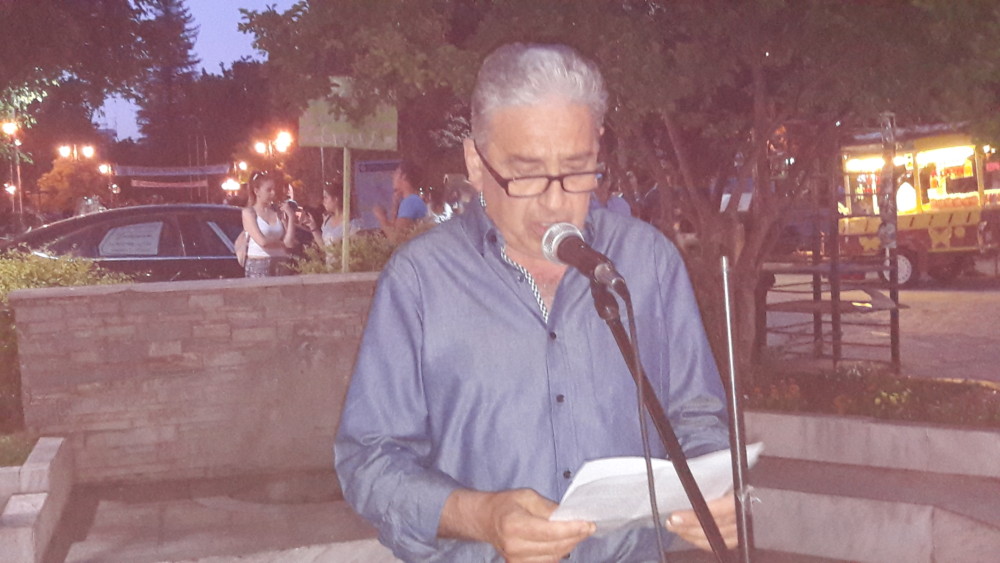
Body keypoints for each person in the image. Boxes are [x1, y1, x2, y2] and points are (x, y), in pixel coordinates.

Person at [335, 43, 735, 562]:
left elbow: (696, 416)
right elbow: (369, 459)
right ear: (475, 163)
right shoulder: (419, 281)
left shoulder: (649, 262)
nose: (555, 201)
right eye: (525, 174)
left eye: (577, 169)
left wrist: (712, 487)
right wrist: (479, 516)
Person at [242, 171, 299, 277]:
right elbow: (262, 241)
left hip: (281, 261)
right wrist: (282, 244)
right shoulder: (249, 213)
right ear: (257, 191)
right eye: (268, 190)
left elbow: (290, 242)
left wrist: (291, 216)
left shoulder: (278, 212)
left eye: (274, 190)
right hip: (259, 262)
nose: (273, 193)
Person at [373, 160, 428, 239]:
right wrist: (395, 205)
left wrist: (381, 217)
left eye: (396, 173)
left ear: (404, 176)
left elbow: (396, 238)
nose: (392, 177)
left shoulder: (410, 202)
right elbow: (395, 228)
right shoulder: (413, 200)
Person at [306, 183, 360, 251]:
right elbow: (324, 247)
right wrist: (313, 227)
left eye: (326, 197)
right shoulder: (327, 220)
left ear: (336, 199)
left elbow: (354, 250)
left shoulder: (352, 223)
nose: (323, 201)